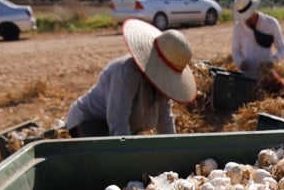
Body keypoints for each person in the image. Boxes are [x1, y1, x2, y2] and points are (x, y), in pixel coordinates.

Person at [65, 19, 196, 137]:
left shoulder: (164, 85)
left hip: (120, 127)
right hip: (90, 122)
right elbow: (118, 121)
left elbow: (165, 119)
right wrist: (127, 156)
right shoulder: (126, 71)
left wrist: (172, 150)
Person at [231, 0, 284, 89]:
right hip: (247, 76)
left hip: (267, 75)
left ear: (253, 9)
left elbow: (283, 48)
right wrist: (240, 62)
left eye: (248, 15)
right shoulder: (238, 28)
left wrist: (272, 61)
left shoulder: (271, 23)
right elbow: (235, 50)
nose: (247, 19)